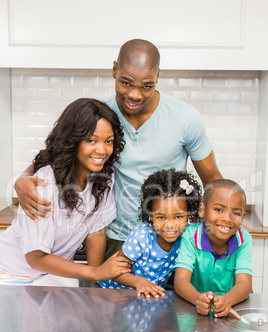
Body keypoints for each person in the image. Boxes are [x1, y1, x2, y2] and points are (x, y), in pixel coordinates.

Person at [14, 39, 222, 280]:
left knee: (174, 313)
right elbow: (58, 151)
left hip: (169, 240)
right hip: (115, 240)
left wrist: (216, 235)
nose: (135, 94)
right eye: (125, 82)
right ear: (114, 69)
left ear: (158, 77)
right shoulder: (100, 114)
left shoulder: (186, 118)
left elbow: (214, 180)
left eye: (147, 85)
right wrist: (23, 179)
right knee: (109, 312)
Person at [0, 98, 132, 285]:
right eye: (91, 140)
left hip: (49, 277)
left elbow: (96, 231)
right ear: (73, 141)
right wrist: (95, 273)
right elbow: (35, 257)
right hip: (12, 274)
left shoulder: (105, 175)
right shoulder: (45, 183)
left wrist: (95, 287)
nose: (102, 150)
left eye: (108, 141)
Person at [97, 168, 202, 298]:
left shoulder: (187, 237)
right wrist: (139, 282)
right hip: (110, 293)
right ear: (150, 215)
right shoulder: (141, 236)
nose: (170, 225)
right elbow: (116, 272)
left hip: (144, 297)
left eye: (178, 217)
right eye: (161, 217)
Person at [173, 179, 252, 319]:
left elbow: (245, 284)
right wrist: (197, 299)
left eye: (236, 213)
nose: (227, 218)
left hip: (230, 312)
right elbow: (180, 281)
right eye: (218, 209)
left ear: (243, 217)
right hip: (193, 311)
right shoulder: (190, 236)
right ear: (202, 210)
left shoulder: (244, 239)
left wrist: (227, 300)